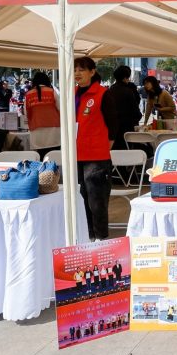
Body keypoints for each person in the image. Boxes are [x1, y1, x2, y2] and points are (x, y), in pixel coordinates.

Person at [74, 56, 118, 242]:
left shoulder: (102, 94)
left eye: (81, 70)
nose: (77, 73)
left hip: (96, 156)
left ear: (92, 72)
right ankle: (87, 236)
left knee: (96, 201)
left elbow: (113, 125)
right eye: (75, 70)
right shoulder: (71, 93)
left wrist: (104, 148)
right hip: (75, 154)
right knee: (80, 198)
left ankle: (100, 238)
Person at [24, 71, 61, 160]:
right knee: (54, 158)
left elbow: (26, 113)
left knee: (41, 158)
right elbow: (61, 108)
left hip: (36, 131)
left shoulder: (28, 95)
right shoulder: (52, 92)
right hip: (53, 130)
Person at [109, 66, 143, 150]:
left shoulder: (109, 90)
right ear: (124, 78)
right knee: (126, 148)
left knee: (114, 149)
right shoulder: (128, 91)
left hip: (112, 126)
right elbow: (135, 109)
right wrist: (137, 118)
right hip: (127, 125)